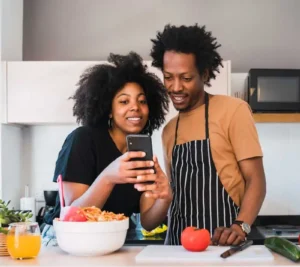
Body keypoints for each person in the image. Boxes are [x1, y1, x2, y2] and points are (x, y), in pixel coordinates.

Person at [150, 24, 266, 246]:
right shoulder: (168, 130)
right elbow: (174, 193)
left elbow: (256, 180)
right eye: (168, 77)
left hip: (225, 243)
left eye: (185, 78)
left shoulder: (233, 110)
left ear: (203, 74)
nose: (175, 87)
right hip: (177, 246)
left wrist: (241, 226)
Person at [42, 52, 172, 245]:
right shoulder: (83, 139)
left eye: (142, 101)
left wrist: (165, 197)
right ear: (109, 109)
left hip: (113, 240)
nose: (135, 107)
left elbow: (148, 222)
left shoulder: (140, 149)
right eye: (124, 101)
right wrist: (109, 177)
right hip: (68, 241)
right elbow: (72, 215)